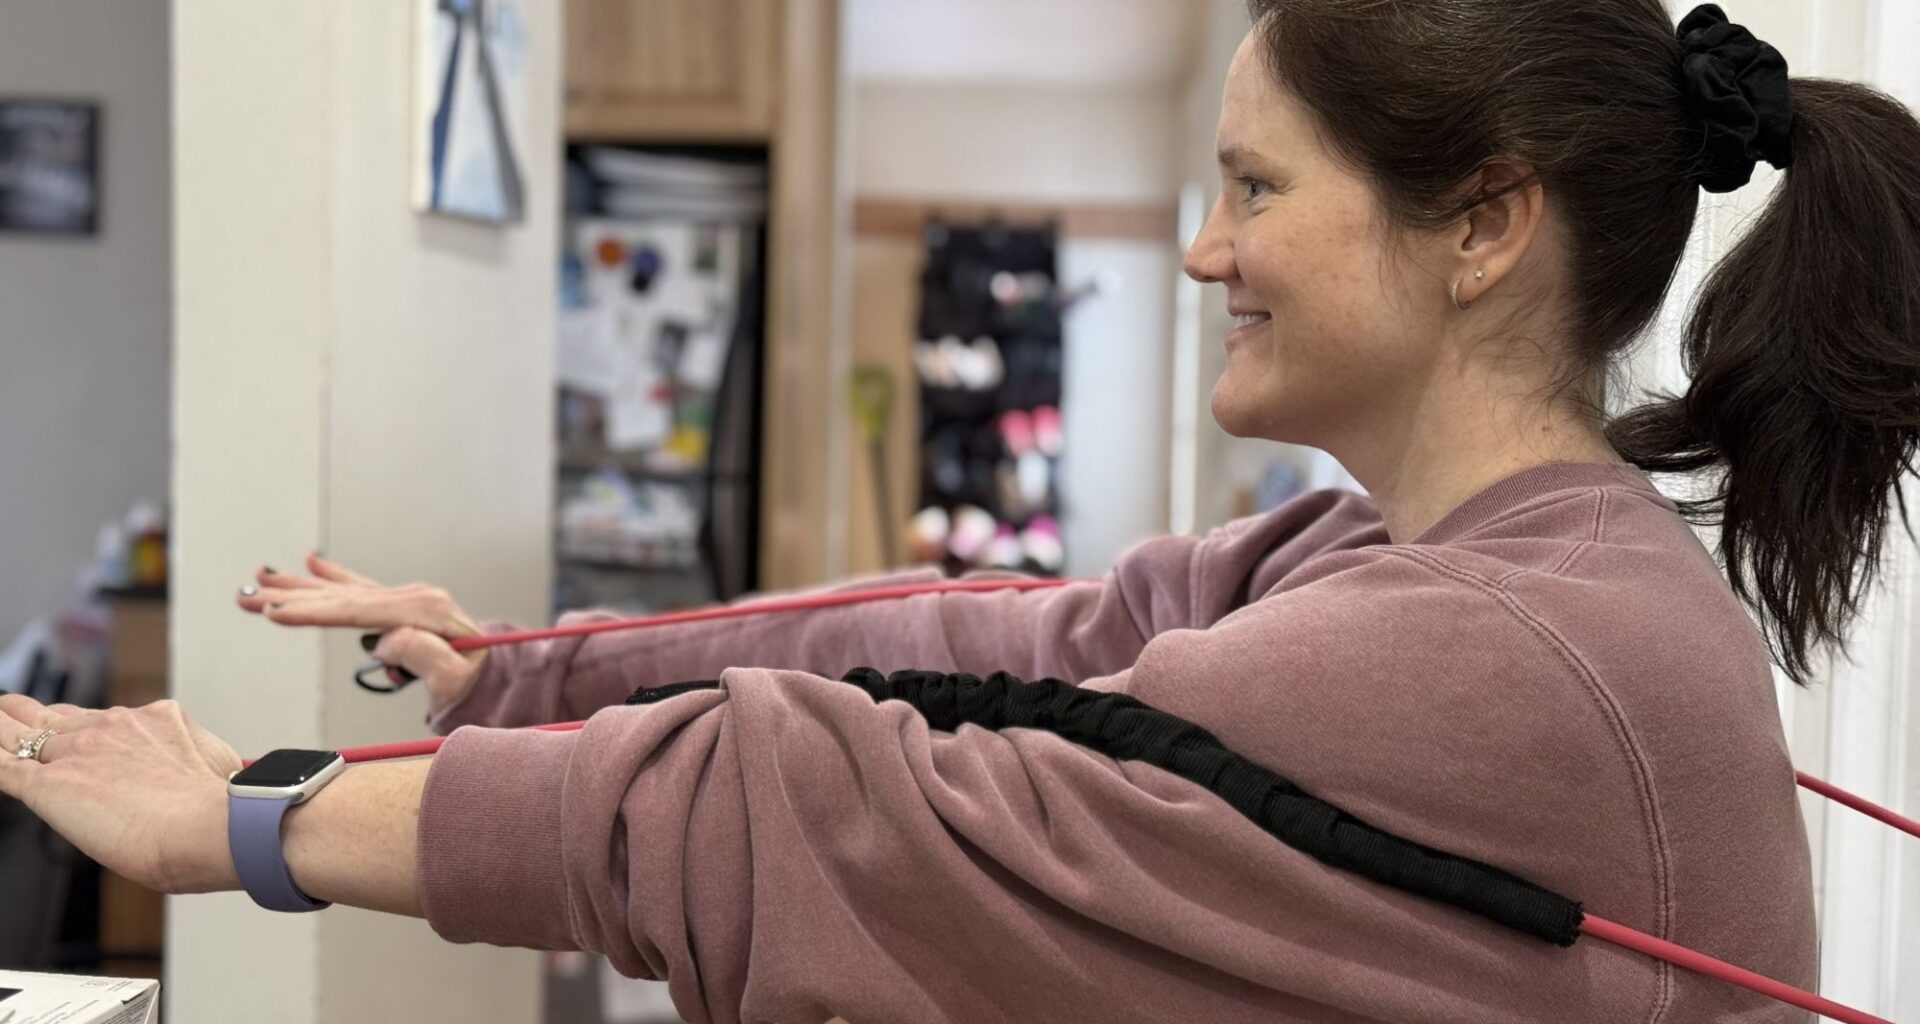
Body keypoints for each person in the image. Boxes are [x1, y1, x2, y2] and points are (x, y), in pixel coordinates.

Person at [6, 2, 1919, 1020]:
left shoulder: (1490, 654)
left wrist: (246, 821)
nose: (1200, 248)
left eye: (1256, 189)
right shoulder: (1415, 560)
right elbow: (1005, 646)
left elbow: (792, 805)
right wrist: (520, 663)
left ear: (1486, 224)